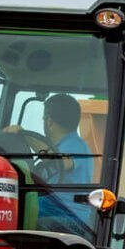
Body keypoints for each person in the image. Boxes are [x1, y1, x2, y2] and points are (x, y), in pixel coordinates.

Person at [35, 94, 95, 238]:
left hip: (70, 218)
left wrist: (28, 138)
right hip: (56, 212)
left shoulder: (75, 144)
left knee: (21, 207)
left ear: (49, 121)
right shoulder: (62, 146)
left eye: (44, 118)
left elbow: (61, 163)